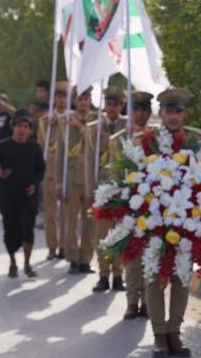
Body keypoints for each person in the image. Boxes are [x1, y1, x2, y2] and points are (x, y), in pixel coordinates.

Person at [145, 88, 198, 357]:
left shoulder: (196, 139)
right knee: (154, 276)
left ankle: (174, 332)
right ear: (161, 112)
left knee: (182, 276)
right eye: (169, 111)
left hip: (187, 221)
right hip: (154, 218)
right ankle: (159, 335)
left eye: (178, 111)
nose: (174, 116)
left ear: (183, 112)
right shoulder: (146, 140)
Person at [107, 91, 153, 320]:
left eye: (145, 109)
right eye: (136, 109)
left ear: (151, 111)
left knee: (150, 254)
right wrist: (117, 202)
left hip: (153, 205)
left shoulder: (158, 138)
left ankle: (148, 301)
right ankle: (132, 301)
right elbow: (114, 174)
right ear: (130, 111)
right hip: (129, 204)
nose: (141, 113)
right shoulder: (118, 139)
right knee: (132, 254)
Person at [0, 109, 45, 278]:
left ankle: (27, 264)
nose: (22, 130)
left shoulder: (34, 147)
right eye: (19, 126)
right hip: (8, 196)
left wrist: (35, 185)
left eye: (26, 127)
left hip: (28, 196)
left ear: (30, 130)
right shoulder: (2, 146)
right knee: (10, 230)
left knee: (28, 229)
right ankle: (13, 262)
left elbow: (41, 169)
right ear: (13, 127)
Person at [85, 87, 128, 292]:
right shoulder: (94, 128)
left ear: (121, 106)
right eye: (108, 104)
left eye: (115, 105)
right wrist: (90, 190)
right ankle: (103, 274)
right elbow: (89, 160)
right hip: (101, 187)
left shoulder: (127, 127)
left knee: (119, 232)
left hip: (120, 188)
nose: (111, 108)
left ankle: (118, 275)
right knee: (101, 234)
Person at [63, 87, 96, 275]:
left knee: (89, 222)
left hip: (90, 178)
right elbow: (60, 149)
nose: (83, 102)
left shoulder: (96, 120)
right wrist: (59, 181)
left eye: (86, 98)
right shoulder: (65, 120)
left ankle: (86, 260)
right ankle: (73, 259)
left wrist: (80, 126)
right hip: (72, 177)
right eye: (80, 99)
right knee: (70, 221)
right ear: (75, 101)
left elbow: (96, 141)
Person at [38, 82, 68, 260]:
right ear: (53, 99)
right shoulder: (45, 121)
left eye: (64, 96)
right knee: (50, 212)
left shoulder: (72, 119)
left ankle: (65, 246)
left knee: (66, 211)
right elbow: (42, 146)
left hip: (66, 172)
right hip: (49, 171)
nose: (61, 100)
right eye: (58, 97)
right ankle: (51, 246)